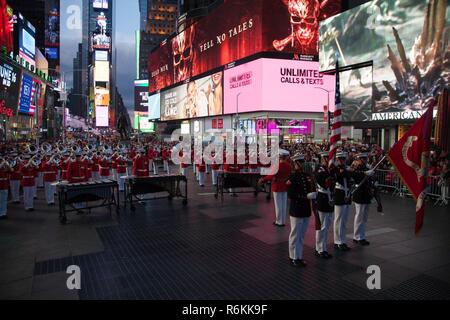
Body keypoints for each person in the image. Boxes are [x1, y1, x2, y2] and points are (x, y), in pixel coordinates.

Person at [287, 153, 317, 267]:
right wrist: (306, 197)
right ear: (295, 163)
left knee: (302, 234)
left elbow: (310, 188)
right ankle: (293, 256)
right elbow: (291, 194)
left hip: (305, 209)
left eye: (302, 162)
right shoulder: (292, 177)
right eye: (299, 162)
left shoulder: (306, 176)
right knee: (295, 234)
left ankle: (298, 256)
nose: (301, 164)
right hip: (296, 208)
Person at [259, 149, 292, 227]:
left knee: (278, 205)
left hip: (277, 185)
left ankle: (279, 221)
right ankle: (283, 221)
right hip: (285, 186)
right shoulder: (289, 165)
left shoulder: (277, 165)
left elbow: (271, 175)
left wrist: (263, 179)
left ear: (280, 156)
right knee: (284, 205)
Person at [314, 152, 334, 259]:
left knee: (327, 226)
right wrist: (331, 172)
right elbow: (322, 180)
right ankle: (319, 249)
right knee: (322, 226)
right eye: (326, 158)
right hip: (322, 199)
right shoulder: (320, 170)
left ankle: (323, 247)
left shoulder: (329, 170)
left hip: (330, 199)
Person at [352, 153, 375, 246]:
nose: (364, 160)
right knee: (359, 216)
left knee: (364, 218)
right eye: (362, 159)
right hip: (359, 194)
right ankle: (357, 236)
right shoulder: (357, 168)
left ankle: (362, 236)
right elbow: (354, 175)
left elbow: (370, 180)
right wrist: (364, 173)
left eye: (365, 158)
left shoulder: (367, 168)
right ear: (360, 159)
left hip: (366, 195)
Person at [333, 152, 353, 251]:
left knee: (344, 220)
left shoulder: (346, 168)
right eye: (340, 159)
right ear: (337, 159)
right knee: (338, 220)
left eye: (343, 159)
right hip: (339, 195)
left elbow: (351, 176)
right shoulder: (335, 169)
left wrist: (347, 170)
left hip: (347, 195)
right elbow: (339, 176)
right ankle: (337, 241)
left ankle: (343, 240)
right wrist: (346, 170)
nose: (342, 161)